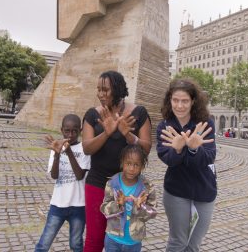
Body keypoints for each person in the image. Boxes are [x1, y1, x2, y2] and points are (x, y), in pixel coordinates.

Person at [82, 70, 152, 252]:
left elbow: (146, 149)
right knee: (94, 238)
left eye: (105, 89)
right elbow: (87, 148)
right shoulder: (92, 115)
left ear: (118, 89)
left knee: (125, 237)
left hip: (128, 186)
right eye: (98, 89)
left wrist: (127, 134)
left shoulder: (138, 113)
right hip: (97, 184)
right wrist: (107, 132)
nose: (100, 94)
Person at [156, 78, 217, 252]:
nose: (180, 106)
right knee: (178, 242)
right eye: (176, 100)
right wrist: (176, 150)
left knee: (193, 244)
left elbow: (209, 157)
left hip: (204, 190)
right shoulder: (164, 126)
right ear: (170, 100)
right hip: (176, 190)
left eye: (185, 101)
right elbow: (168, 160)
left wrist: (194, 150)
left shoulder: (205, 124)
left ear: (193, 102)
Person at [35, 114, 90, 252]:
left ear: (80, 130)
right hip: (58, 204)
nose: (70, 135)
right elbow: (54, 175)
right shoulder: (56, 147)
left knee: (76, 244)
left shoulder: (85, 149)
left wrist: (69, 151)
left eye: (74, 131)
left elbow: (79, 175)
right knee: (44, 243)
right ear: (61, 130)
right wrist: (58, 154)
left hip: (78, 205)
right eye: (67, 131)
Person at [100, 144, 157, 252]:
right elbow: (104, 208)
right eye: (128, 163)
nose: (131, 169)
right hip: (113, 238)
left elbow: (152, 212)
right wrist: (118, 204)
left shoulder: (147, 187)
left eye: (136, 165)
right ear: (122, 163)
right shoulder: (112, 183)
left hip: (133, 242)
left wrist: (140, 207)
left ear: (142, 166)